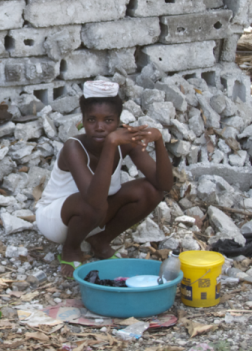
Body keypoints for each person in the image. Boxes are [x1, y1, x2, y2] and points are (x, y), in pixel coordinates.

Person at [35, 80, 174, 277]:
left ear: (118, 121)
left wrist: (159, 141)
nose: (100, 127)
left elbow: (164, 184)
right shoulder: (73, 147)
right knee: (95, 203)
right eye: (92, 120)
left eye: (108, 121)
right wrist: (110, 144)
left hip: (94, 212)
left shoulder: (124, 142)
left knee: (150, 190)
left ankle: (100, 241)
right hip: (55, 220)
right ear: (82, 120)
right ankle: (71, 250)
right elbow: (93, 199)